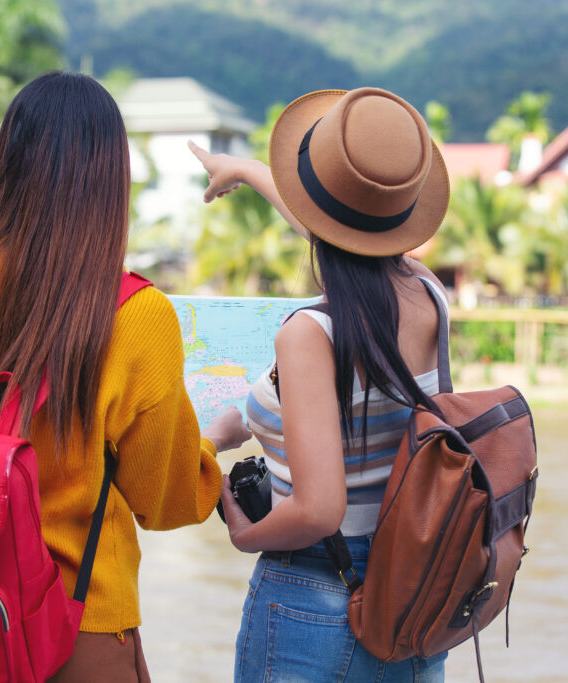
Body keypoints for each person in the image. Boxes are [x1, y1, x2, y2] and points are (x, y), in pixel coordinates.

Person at [0, 71, 251, 682]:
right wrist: (211, 446)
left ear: (6, 169)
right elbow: (162, 499)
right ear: (109, 182)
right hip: (75, 630)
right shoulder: (138, 315)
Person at [190, 87, 451, 682]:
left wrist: (245, 533)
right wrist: (253, 173)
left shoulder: (311, 333)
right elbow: (346, 235)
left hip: (314, 598)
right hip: (408, 596)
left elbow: (318, 508)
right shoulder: (430, 295)